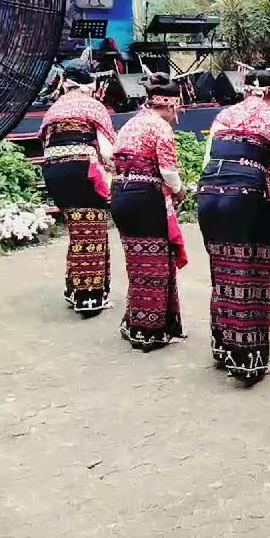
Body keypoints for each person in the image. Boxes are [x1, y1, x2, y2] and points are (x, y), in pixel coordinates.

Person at [197, 66, 270, 383]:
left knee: (223, 270)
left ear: (244, 90)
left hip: (209, 194)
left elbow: (206, 161)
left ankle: (223, 348)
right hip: (244, 197)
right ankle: (248, 362)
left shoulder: (224, 116)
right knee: (250, 275)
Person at [111, 73, 190, 351]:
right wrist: (179, 191)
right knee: (155, 263)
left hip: (121, 195)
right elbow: (168, 171)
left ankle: (137, 322)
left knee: (137, 263)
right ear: (170, 104)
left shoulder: (130, 124)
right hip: (146, 199)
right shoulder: (160, 127)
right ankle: (151, 330)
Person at [39, 61, 116, 316]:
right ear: (90, 84)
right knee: (92, 230)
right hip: (83, 171)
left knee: (77, 230)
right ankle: (89, 297)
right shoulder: (93, 106)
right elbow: (107, 150)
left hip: (54, 173)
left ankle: (74, 289)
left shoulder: (54, 109)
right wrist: (115, 170)